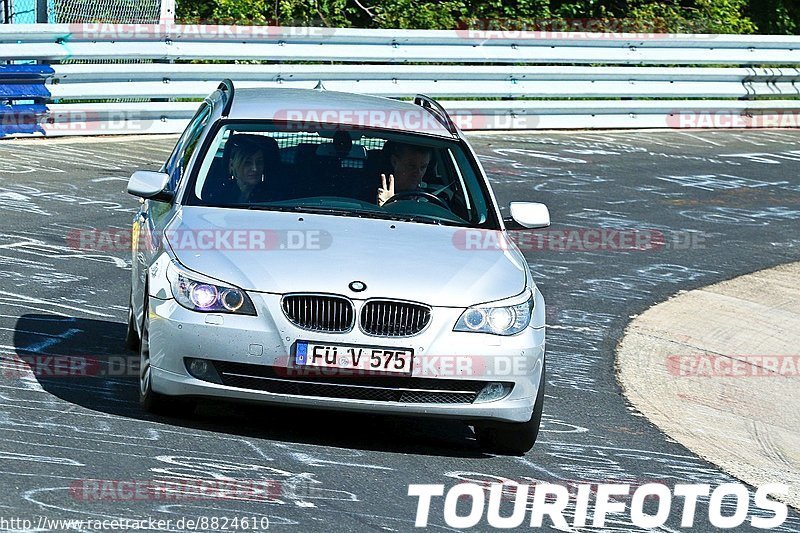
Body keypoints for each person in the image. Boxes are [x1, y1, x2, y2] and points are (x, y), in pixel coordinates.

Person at [376, 142, 433, 207]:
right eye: (411, 166)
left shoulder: (429, 198)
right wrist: (384, 207)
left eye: (423, 167)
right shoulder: (375, 192)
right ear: (394, 162)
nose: (418, 173)